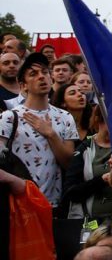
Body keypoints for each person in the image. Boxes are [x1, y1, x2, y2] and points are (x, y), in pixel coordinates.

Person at [0, 53, 78, 208]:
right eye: (33, 74)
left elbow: (68, 163)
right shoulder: (9, 117)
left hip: (53, 205)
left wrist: (51, 134)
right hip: (19, 205)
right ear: (23, 85)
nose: (41, 77)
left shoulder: (65, 116)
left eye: (45, 72)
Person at [61, 105, 112, 224]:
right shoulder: (84, 149)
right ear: (98, 120)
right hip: (93, 223)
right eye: (111, 121)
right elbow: (71, 192)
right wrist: (102, 179)